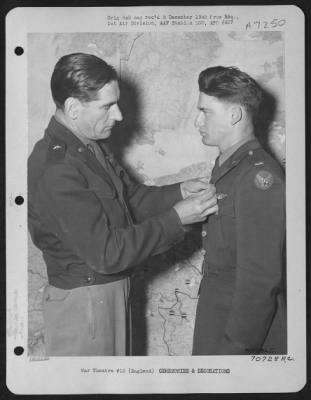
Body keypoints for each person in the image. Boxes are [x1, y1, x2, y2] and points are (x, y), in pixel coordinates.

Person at [28, 53, 218, 356]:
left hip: (107, 294)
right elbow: (106, 254)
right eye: (107, 106)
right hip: (85, 304)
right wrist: (176, 219)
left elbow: (128, 200)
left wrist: (179, 192)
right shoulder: (58, 167)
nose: (118, 115)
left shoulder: (90, 147)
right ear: (74, 108)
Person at [192, 66, 286, 355]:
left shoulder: (259, 178)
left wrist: (236, 348)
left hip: (239, 327)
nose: (197, 121)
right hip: (217, 310)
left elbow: (259, 279)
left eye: (205, 112)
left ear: (234, 115)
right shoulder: (229, 166)